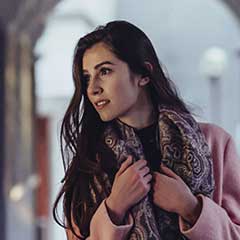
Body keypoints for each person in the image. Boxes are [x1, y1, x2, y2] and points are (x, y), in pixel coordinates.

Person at [53, 20, 240, 240]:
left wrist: (191, 207)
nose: (93, 89)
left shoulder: (215, 143)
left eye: (104, 71)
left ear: (144, 74)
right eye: (86, 78)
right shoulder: (89, 164)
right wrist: (114, 208)